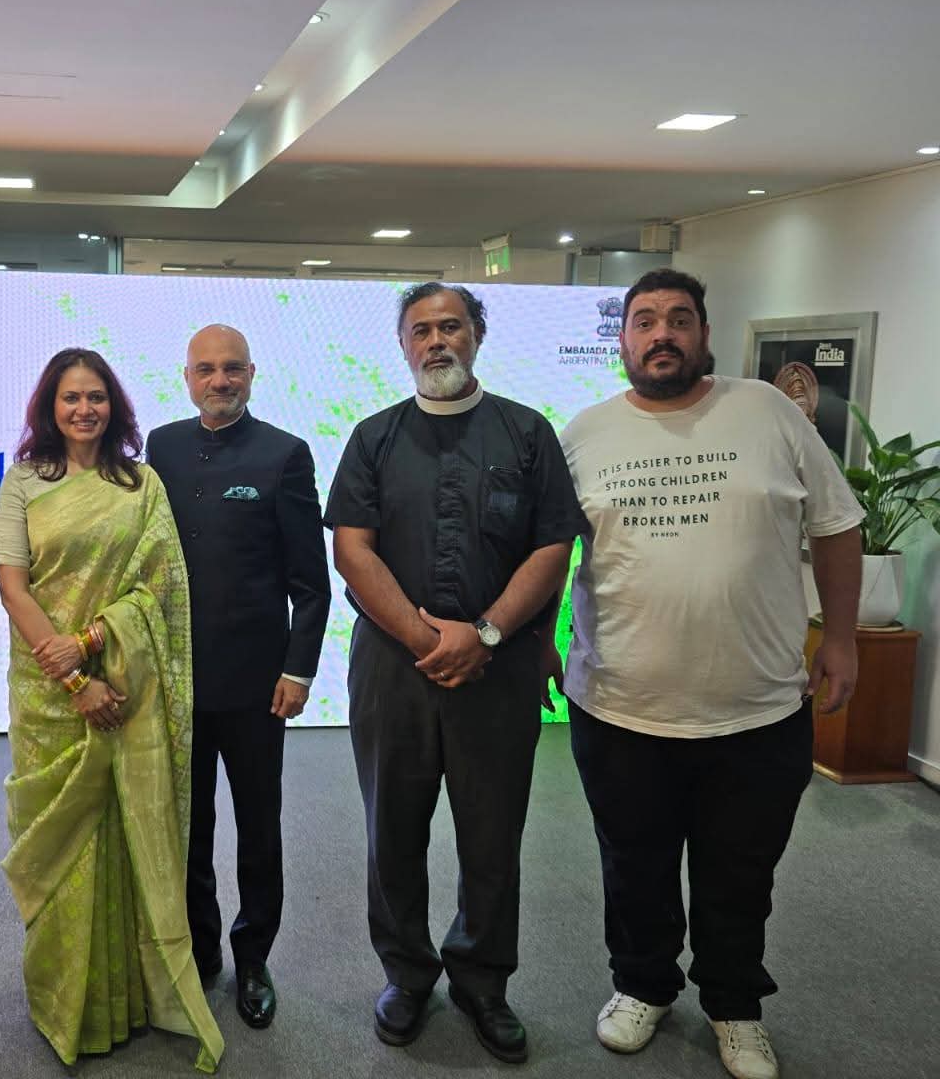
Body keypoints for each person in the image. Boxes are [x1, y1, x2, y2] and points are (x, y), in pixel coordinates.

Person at [561, 269, 862, 1079]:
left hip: (758, 710)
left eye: (679, 319)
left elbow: (837, 525)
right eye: (645, 321)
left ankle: (734, 1006)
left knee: (740, 875)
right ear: (622, 340)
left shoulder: (768, 413)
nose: (662, 334)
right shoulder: (584, 434)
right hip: (620, 707)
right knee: (634, 866)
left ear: (704, 333)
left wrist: (841, 638)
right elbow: (550, 552)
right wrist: (537, 648)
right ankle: (642, 986)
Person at [325, 283, 587, 1064]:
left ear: (477, 335)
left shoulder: (527, 434)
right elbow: (352, 551)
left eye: (452, 326)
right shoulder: (373, 438)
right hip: (392, 671)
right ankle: (406, 974)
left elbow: (552, 546)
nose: (437, 340)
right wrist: (429, 639)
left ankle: (482, 981)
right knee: (393, 830)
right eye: (421, 330)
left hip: (498, 671)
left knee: (492, 833)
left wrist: (487, 634)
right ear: (403, 345)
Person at [0, 348, 224, 1072]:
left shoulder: (141, 483)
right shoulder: (24, 482)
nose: (84, 409)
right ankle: (65, 1000)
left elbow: (160, 589)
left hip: (125, 687)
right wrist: (72, 677)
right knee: (62, 847)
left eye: (95, 397)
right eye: (70, 398)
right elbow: (13, 587)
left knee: (125, 839)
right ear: (49, 407)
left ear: (113, 406)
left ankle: (128, 998)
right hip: (47, 692)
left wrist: (94, 642)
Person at [144, 324, 329, 1029]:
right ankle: (199, 949)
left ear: (251, 374)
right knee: (187, 828)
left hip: (258, 686)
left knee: (258, 827)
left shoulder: (285, 453)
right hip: (176, 683)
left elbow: (311, 585)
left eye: (231, 369)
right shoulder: (161, 447)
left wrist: (298, 671)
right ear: (187, 378)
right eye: (205, 370)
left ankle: (253, 957)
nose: (218, 381)